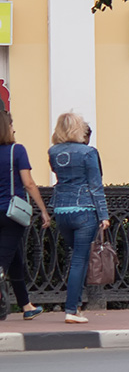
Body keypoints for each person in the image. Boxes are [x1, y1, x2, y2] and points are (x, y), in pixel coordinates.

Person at [48, 113, 110, 324]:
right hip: (84, 210)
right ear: (79, 130)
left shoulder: (53, 152)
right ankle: (72, 310)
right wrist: (104, 215)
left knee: (76, 257)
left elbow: (59, 175)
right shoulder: (88, 152)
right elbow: (95, 185)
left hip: (61, 211)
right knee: (79, 261)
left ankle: (75, 307)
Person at [0, 110, 51, 321]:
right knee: (3, 261)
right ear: (7, 127)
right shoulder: (17, 150)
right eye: (11, 125)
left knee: (15, 259)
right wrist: (43, 210)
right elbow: (28, 183)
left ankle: (26, 305)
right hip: (12, 214)